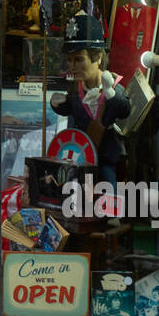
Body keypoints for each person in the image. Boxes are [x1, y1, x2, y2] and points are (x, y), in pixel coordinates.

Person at [50, 12, 130, 186]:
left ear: (98, 57)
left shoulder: (114, 85)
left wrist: (111, 94)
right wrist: (56, 104)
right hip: (80, 157)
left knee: (108, 192)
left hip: (107, 156)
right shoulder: (75, 89)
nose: (73, 66)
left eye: (79, 59)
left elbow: (125, 110)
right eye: (70, 60)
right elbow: (69, 106)